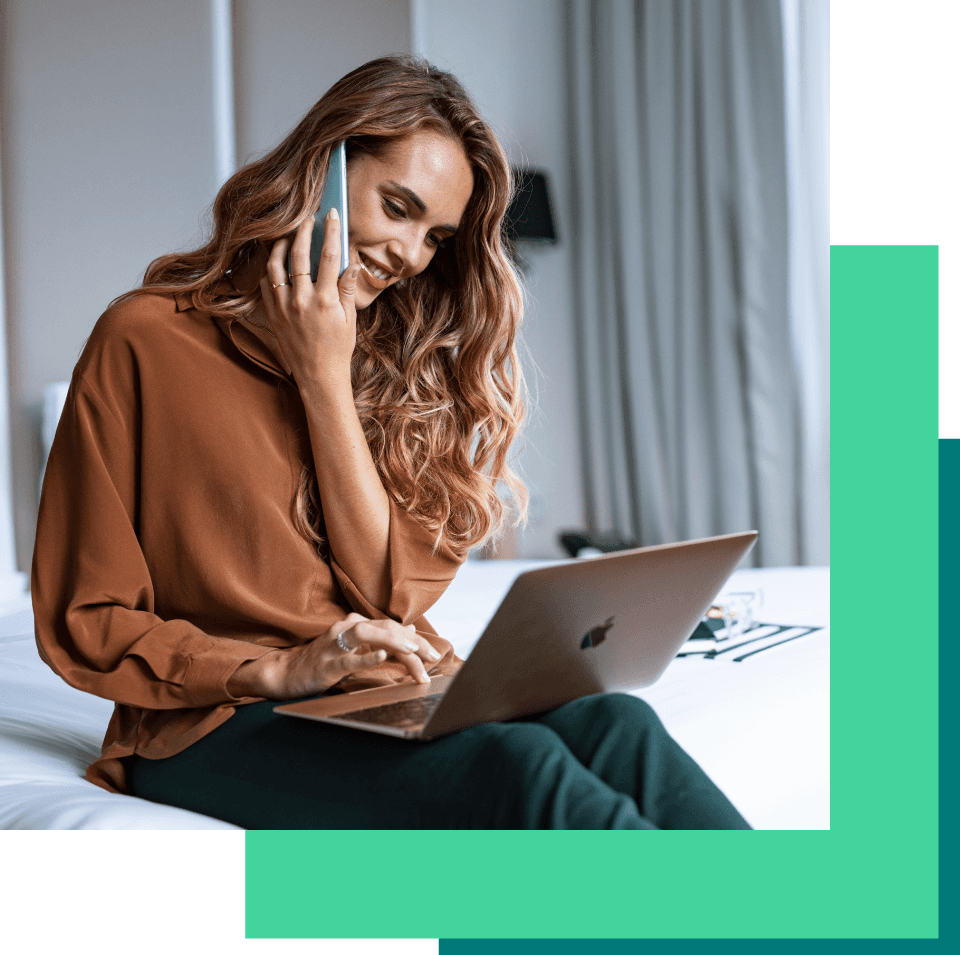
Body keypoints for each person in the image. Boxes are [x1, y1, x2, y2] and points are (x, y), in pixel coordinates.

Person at [32, 55, 750, 830]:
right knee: (523, 771)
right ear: (325, 170)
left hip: (384, 693)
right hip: (217, 720)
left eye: (437, 236)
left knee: (618, 726)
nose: (412, 256)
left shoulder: (399, 358)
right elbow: (87, 614)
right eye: (399, 207)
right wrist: (278, 667)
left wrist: (324, 375)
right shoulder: (144, 339)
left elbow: (392, 600)